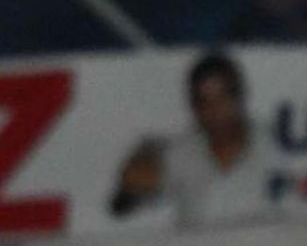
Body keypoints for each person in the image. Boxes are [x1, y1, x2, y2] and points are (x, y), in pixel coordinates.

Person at [109, 51, 282, 229]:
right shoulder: (181, 154)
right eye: (204, 102)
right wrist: (134, 180)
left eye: (222, 99)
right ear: (193, 107)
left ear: (239, 98)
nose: (214, 111)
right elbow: (120, 208)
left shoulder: (273, 145)